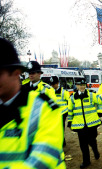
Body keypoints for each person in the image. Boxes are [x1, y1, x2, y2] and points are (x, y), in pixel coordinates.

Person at [0, 38, 66, 168]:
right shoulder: (25, 87)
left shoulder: (45, 102)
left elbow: (43, 159)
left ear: (16, 73)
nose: (31, 75)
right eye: (29, 73)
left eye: (34, 72)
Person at [67, 77, 101, 168]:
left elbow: (99, 102)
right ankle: (86, 161)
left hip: (92, 123)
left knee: (92, 140)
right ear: (77, 86)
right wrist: (70, 122)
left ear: (85, 85)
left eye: (83, 85)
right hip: (80, 125)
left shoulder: (91, 95)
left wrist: (99, 112)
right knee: (83, 144)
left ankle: (95, 150)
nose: (82, 87)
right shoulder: (72, 98)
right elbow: (70, 111)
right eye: (80, 85)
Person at [50, 75, 70, 147]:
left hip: (63, 112)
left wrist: (67, 112)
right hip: (54, 113)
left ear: (58, 83)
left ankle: (61, 142)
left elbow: (69, 101)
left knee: (61, 127)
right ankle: (62, 141)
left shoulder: (64, 92)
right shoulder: (50, 91)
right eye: (51, 84)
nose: (53, 86)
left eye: (54, 84)